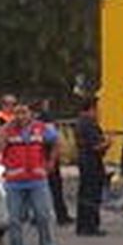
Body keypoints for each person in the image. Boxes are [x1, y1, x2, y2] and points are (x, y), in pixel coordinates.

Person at [0, 101, 61, 245]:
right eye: (17, 113)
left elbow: (56, 141)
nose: (21, 116)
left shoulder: (41, 128)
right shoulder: (8, 130)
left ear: (31, 114)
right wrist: (5, 128)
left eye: (24, 112)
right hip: (15, 182)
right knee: (14, 220)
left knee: (42, 216)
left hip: (37, 180)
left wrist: (51, 161)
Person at [73, 95, 109, 236]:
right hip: (91, 162)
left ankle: (82, 226)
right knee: (92, 194)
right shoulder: (88, 123)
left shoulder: (80, 122)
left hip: (84, 161)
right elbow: (96, 146)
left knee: (84, 193)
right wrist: (107, 143)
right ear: (91, 108)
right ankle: (91, 226)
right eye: (97, 108)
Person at [37, 97, 73, 226]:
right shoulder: (46, 120)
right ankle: (61, 216)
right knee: (55, 188)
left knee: (43, 190)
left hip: (41, 159)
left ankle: (38, 217)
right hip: (48, 158)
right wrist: (52, 160)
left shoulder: (35, 122)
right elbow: (53, 140)